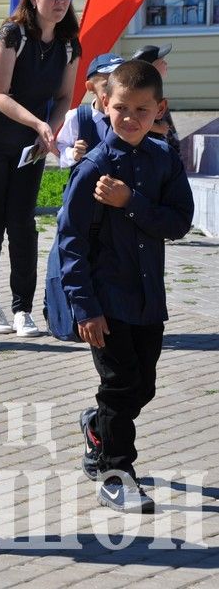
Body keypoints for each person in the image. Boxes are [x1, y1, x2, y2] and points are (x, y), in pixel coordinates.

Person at [58, 60, 194, 513]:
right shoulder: (93, 168)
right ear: (103, 104)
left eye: (142, 109)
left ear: (160, 109)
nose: (131, 118)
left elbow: (178, 222)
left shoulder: (164, 159)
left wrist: (130, 202)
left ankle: (97, 426)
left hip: (147, 299)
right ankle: (115, 474)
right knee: (118, 386)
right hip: (105, 302)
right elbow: (70, 244)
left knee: (143, 387)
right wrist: (84, 308)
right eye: (121, 108)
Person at [0, 0, 81, 337]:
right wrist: (38, 124)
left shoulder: (70, 45)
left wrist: (50, 129)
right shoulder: (11, 35)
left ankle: (22, 310)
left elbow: (64, 97)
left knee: (23, 225)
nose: (60, 1)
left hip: (28, 147)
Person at [56, 53, 124, 167]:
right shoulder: (78, 117)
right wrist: (73, 153)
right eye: (107, 85)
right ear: (90, 87)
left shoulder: (130, 115)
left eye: (122, 84)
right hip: (88, 181)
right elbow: (61, 146)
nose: (116, 91)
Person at [132, 43, 181, 154]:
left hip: (166, 145)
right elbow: (134, 117)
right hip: (152, 147)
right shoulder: (143, 90)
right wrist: (157, 128)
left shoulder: (154, 86)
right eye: (162, 61)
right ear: (151, 67)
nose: (166, 63)